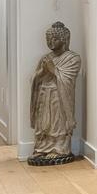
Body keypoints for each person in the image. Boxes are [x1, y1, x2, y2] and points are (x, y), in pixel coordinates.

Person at [29, 21, 82, 164]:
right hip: (43, 95)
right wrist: (42, 71)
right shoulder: (45, 58)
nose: (50, 42)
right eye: (48, 39)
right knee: (43, 123)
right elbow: (34, 79)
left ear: (64, 40)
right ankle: (42, 149)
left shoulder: (73, 58)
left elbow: (68, 80)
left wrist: (52, 70)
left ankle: (59, 150)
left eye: (54, 39)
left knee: (57, 124)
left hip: (59, 97)